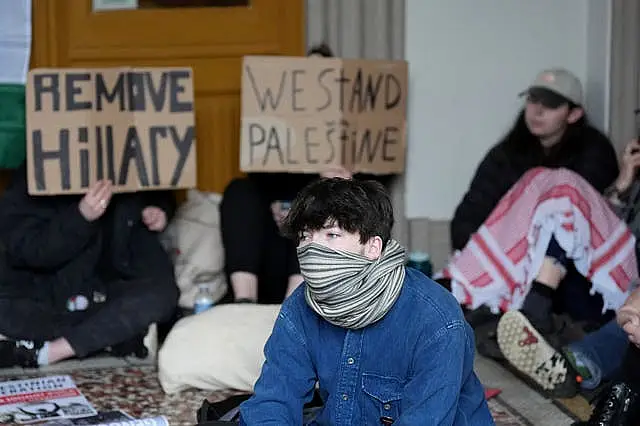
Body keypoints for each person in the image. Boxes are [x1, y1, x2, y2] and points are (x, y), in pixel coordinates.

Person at [238, 178, 494, 425]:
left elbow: (426, 419)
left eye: (332, 235)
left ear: (373, 247)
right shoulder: (301, 306)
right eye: (305, 237)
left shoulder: (436, 319)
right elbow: (274, 399)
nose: (312, 249)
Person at [220, 44, 394, 305]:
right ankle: (245, 300)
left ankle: (296, 305)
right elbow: (259, 186)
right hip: (272, 253)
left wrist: (336, 184)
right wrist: (281, 206)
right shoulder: (277, 143)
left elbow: (376, 210)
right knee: (238, 190)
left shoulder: (357, 147)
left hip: (322, 264)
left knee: (317, 204)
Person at [450, 68, 620, 325]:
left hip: (566, 268)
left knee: (561, 197)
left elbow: (579, 219)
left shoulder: (593, 150)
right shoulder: (508, 152)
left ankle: (532, 314)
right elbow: (469, 213)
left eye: (550, 104)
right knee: (453, 284)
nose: (537, 111)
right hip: (511, 256)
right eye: (533, 100)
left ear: (574, 114)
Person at [495, 138, 640, 399]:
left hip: (629, 293)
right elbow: (598, 230)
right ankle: (526, 307)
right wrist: (623, 184)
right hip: (611, 287)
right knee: (556, 191)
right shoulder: (635, 185)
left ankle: (571, 364)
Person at [0, 163, 178, 367]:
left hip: (107, 290)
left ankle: (56, 350)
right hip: (49, 290)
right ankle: (108, 336)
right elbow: (30, 250)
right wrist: (81, 217)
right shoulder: (34, 171)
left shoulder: (125, 158)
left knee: (160, 295)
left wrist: (159, 210)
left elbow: (158, 191)